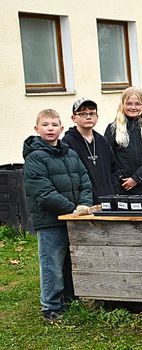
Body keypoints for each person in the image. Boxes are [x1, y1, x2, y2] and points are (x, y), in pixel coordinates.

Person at [23, 109, 93, 322]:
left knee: (71, 261)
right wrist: (70, 209)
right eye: (45, 125)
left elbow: (84, 180)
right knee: (51, 262)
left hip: (74, 217)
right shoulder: (35, 158)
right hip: (50, 221)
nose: (50, 128)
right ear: (37, 129)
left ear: (62, 128)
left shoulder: (70, 153)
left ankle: (70, 297)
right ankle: (51, 306)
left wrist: (84, 205)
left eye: (54, 124)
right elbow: (43, 193)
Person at [61, 98, 119, 203]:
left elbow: (114, 168)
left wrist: (113, 189)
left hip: (108, 199)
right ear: (74, 118)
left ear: (97, 117)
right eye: (83, 114)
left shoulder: (102, 141)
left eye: (92, 113)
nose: (88, 117)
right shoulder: (68, 142)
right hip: (84, 201)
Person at [105, 87, 142, 195]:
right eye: (129, 104)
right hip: (123, 187)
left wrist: (136, 178)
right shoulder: (112, 129)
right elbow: (109, 158)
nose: (133, 107)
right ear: (122, 105)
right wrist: (121, 178)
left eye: (137, 104)